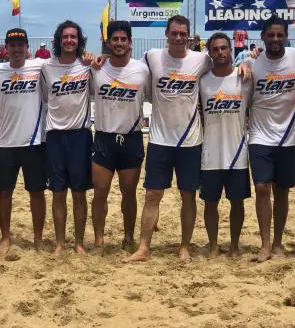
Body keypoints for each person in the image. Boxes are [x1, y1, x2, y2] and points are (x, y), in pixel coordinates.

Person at [127, 15, 211, 263]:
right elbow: (128, 68)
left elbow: (223, 64)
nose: (178, 37)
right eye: (174, 33)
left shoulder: (200, 60)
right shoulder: (153, 56)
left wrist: (248, 63)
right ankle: (143, 248)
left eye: (183, 33)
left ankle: (184, 246)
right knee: (153, 195)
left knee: (188, 196)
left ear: (189, 36)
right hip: (160, 140)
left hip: (190, 141)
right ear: (166, 34)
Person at [245, 16, 295, 263]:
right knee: (262, 188)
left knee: (282, 193)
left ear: (286, 36)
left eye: (279, 35)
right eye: (270, 35)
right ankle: (264, 244)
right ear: (262, 37)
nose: (275, 39)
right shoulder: (252, 64)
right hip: (259, 135)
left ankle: (278, 242)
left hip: (288, 137)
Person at [0, 28, 48, 253]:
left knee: (37, 192)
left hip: (34, 142)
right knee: (4, 192)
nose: (16, 49)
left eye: (20, 44)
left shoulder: (39, 66)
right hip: (5, 143)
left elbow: (68, 63)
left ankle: (38, 238)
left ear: (27, 47)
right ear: (5, 48)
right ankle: (5, 237)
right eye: (12, 45)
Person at [90, 20, 150, 250]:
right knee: (100, 192)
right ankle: (99, 238)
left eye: (123, 39)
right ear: (108, 42)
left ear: (130, 42)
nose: (119, 43)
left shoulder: (142, 69)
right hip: (104, 137)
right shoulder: (96, 68)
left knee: (129, 194)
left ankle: (128, 236)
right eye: (115, 39)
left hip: (131, 138)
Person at [41, 20, 93, 256]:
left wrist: (94, 59)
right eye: (65, 37)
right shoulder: (46, 67)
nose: (69, 41)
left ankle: (79, 242)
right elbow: (44, 98)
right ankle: (60, 242)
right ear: (58, 40)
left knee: (79, 193)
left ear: (79, 40)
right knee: (58, 192)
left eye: (73, 37)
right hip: (54, 137)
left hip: (80, 136)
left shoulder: (87, 66)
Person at [199, 32, 252, 258]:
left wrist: (247, 65)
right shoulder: (202, 81)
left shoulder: (245, 79)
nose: (220, 53)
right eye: (216, 49)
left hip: (238, 151)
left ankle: (234, 246)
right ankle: (212, 246)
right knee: (210, 203)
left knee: (237, 203)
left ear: (231, 51)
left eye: (224, 48)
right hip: (210, 153)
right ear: (210, 53)